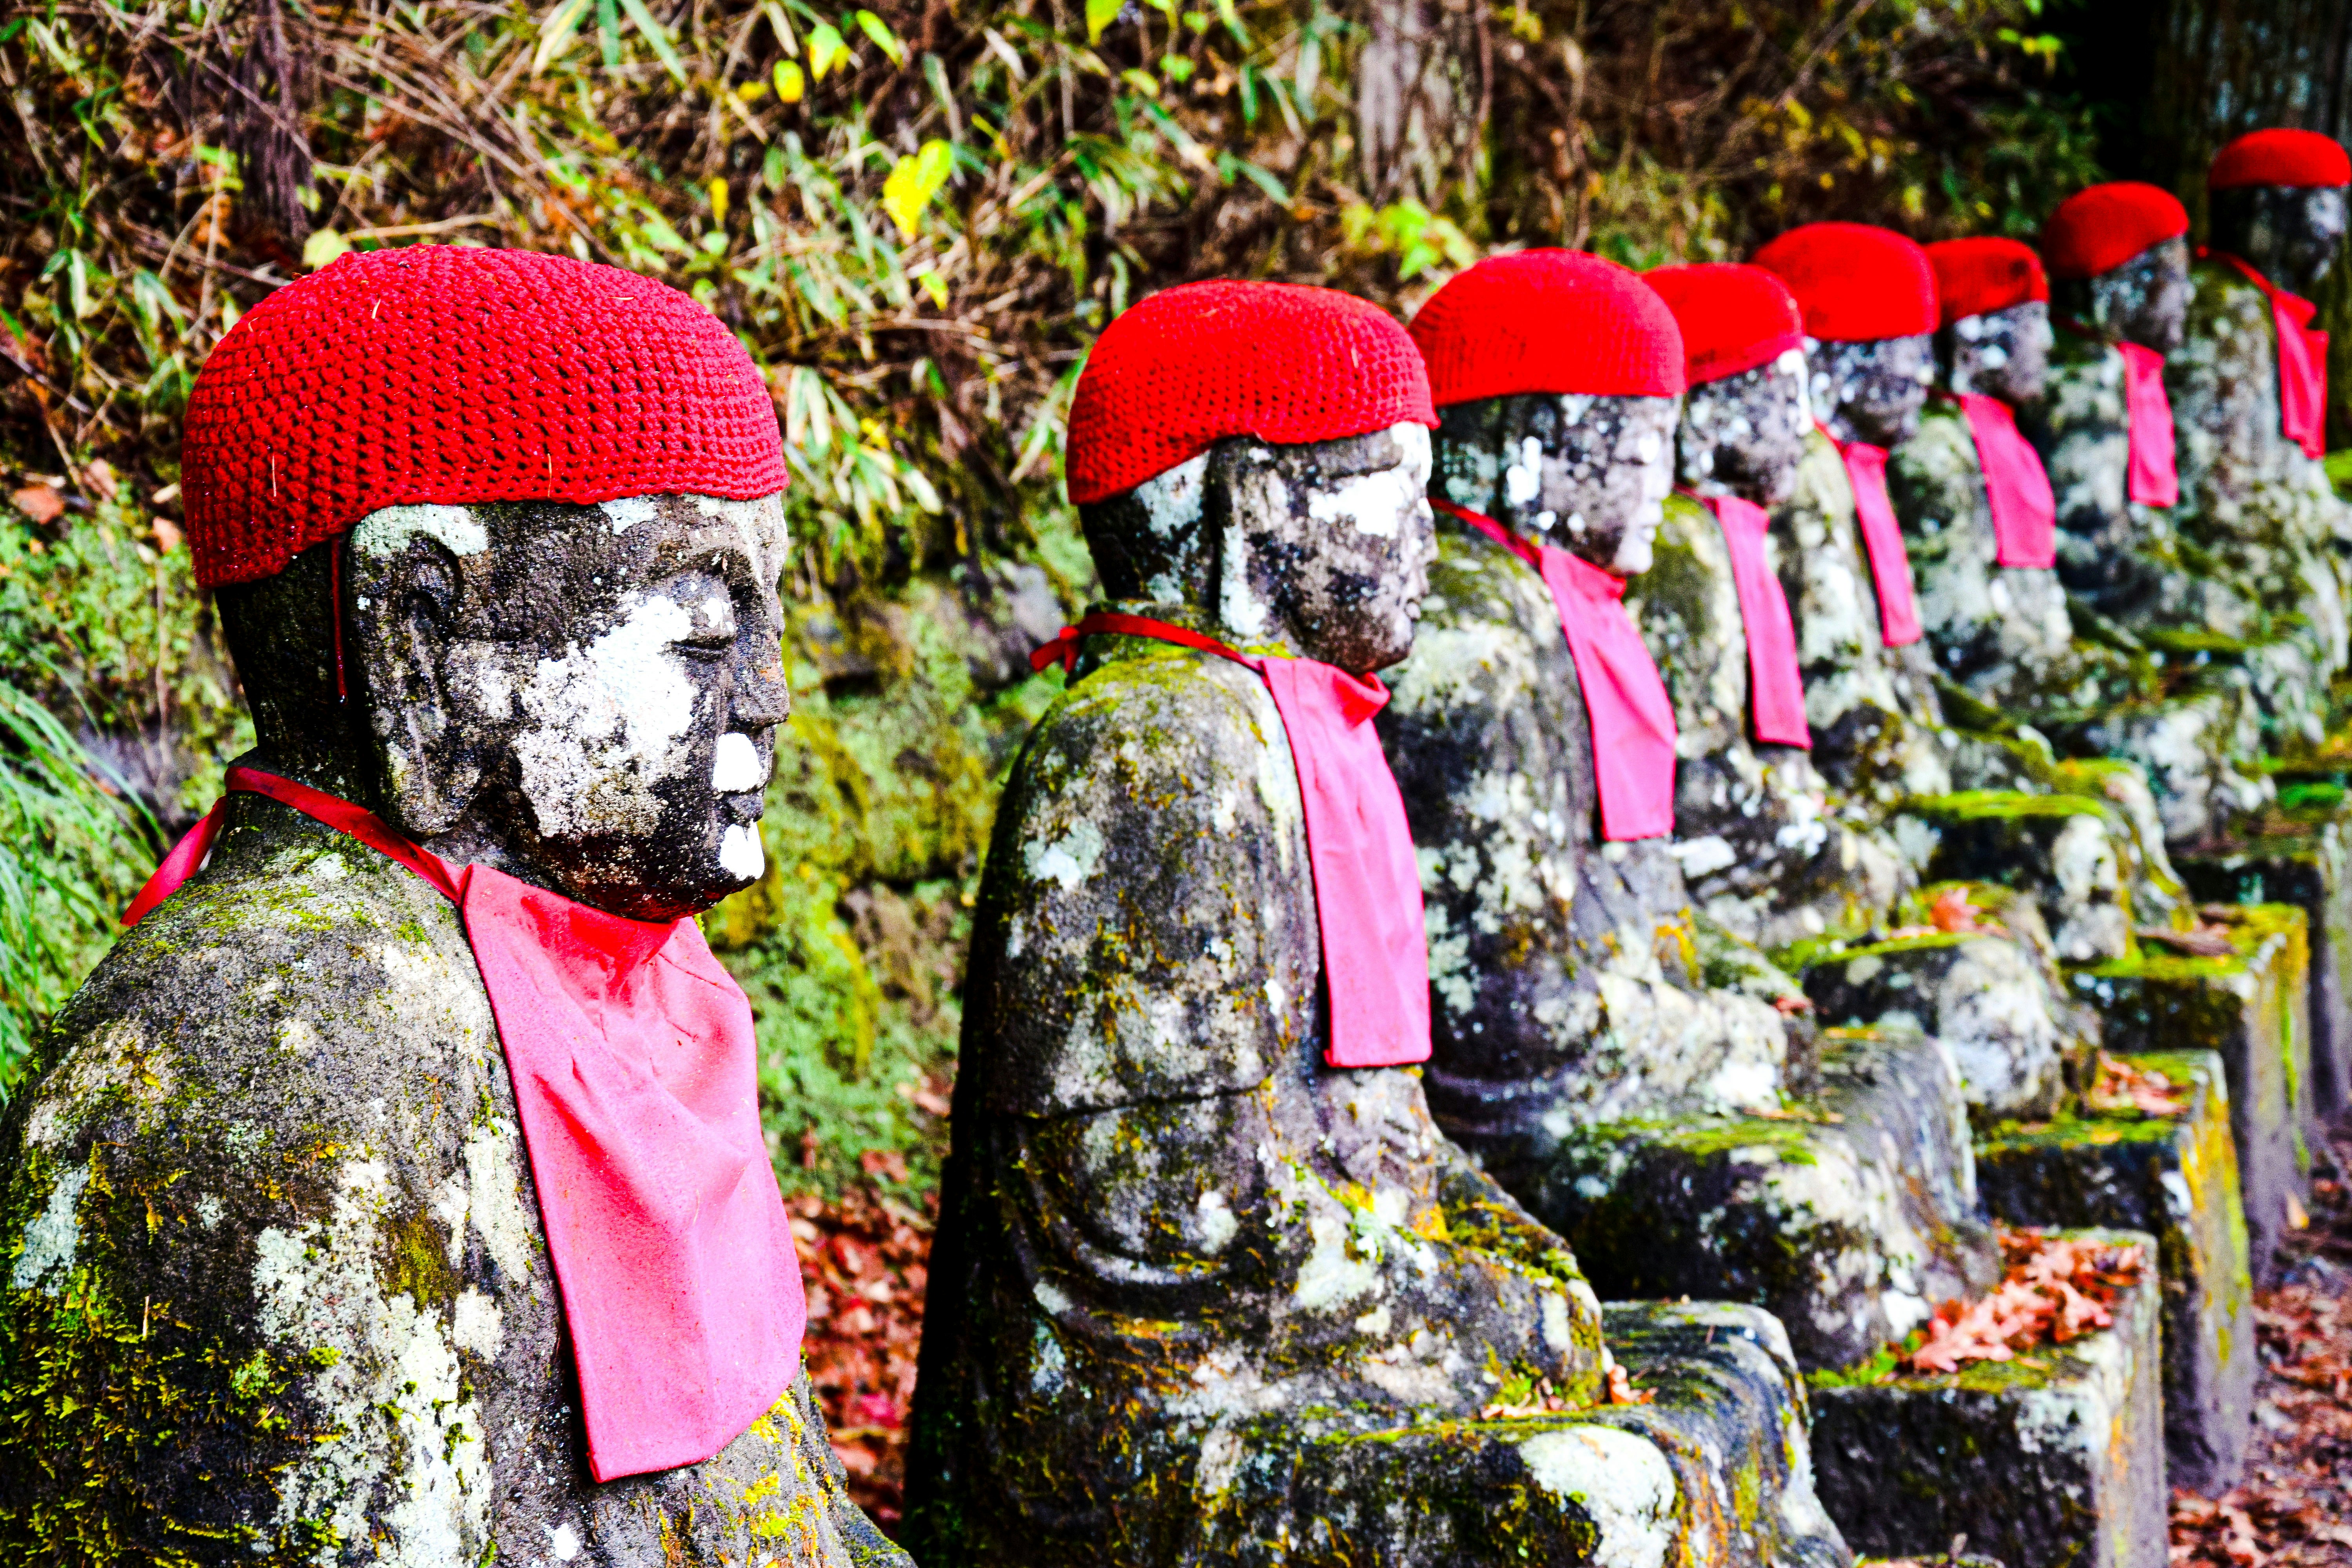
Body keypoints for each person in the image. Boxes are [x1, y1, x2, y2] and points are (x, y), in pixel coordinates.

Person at [0, 247, 907, 1563]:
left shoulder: (632, 983)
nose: (770, 697)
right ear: (421, 640)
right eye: (704, 632)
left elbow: (775, 1505)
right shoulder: (281, 1067)